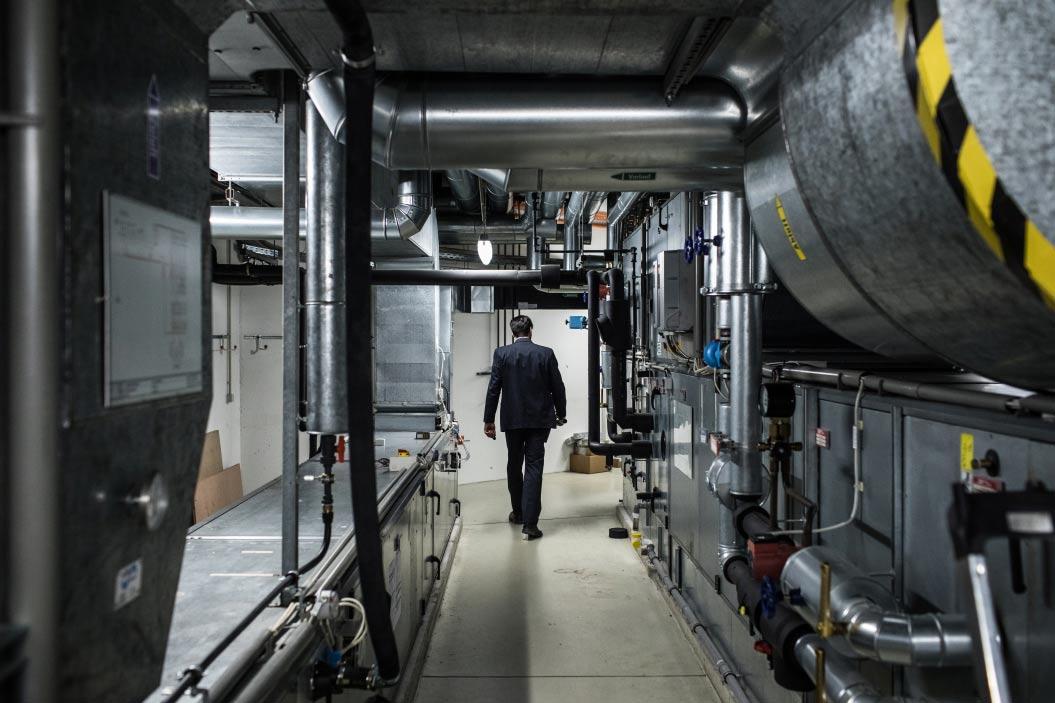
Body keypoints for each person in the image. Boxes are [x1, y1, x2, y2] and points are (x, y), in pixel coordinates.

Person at [483, 314, 567, 540]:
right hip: (539, 421)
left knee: (514, 463)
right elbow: (558, 387)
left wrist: (488, 420)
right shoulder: (545, 353)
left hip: (512, 420)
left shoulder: (502, 353)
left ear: (513, 333)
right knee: (534, 467)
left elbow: (494, 388)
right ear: (531, 330)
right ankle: (530, 524)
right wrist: (562, 414)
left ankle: (518, 512)